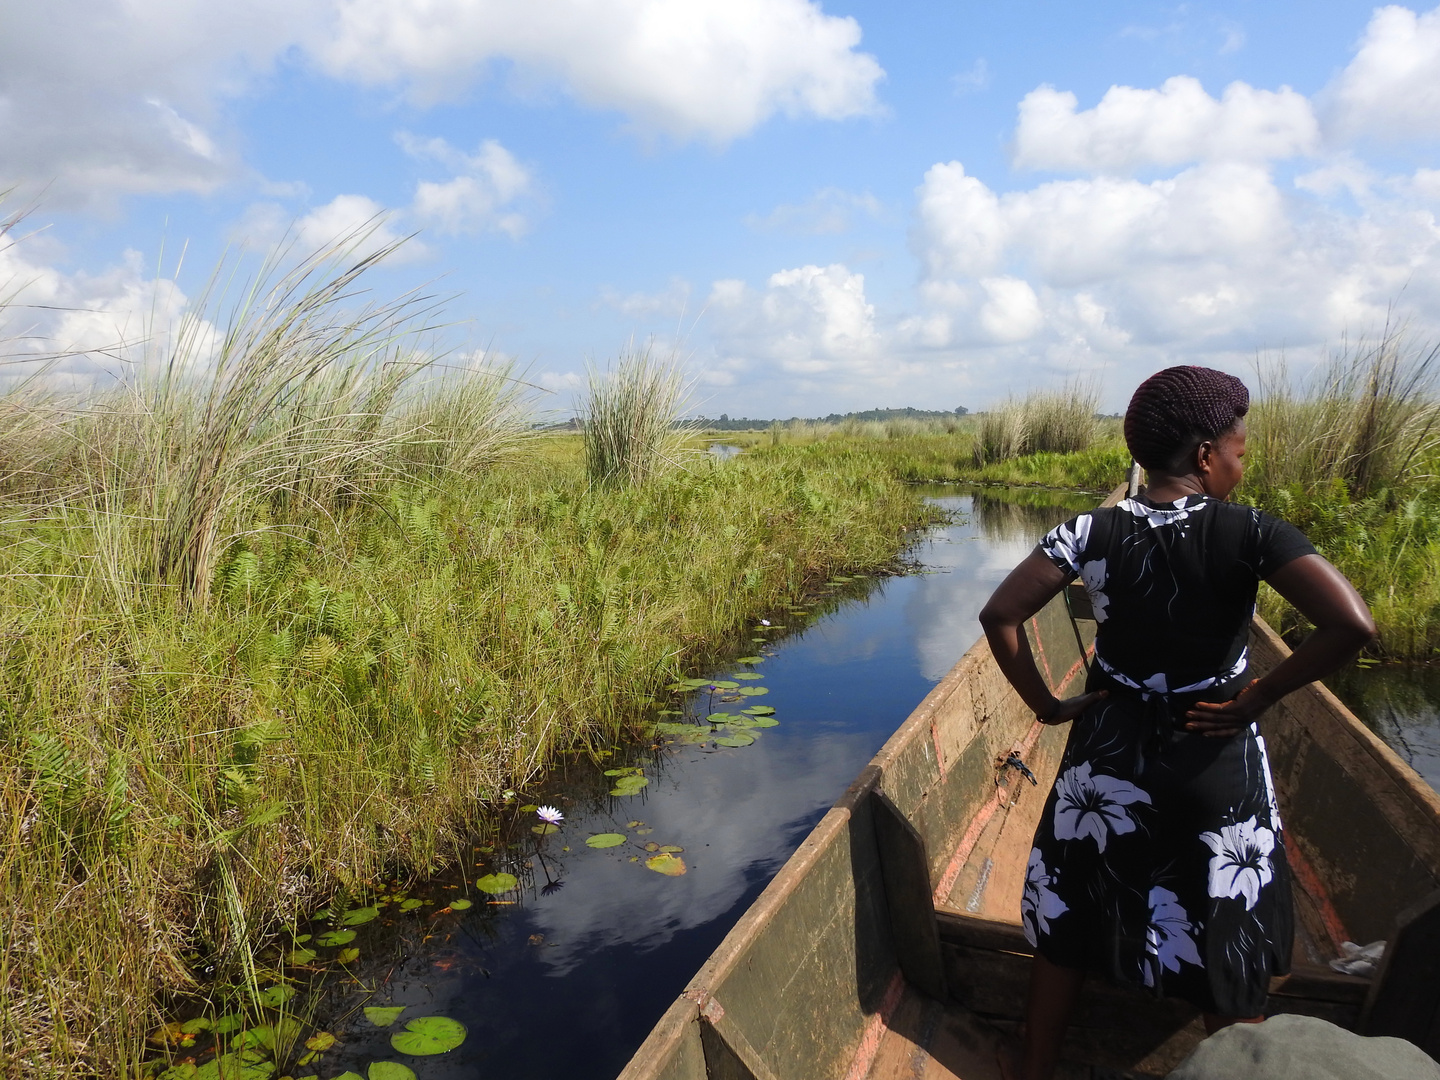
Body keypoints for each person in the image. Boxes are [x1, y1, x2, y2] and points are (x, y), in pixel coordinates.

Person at [977, 366, 1376, 1080]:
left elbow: (1000, 615)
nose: (1239, 464)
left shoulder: (1088, 530)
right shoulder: (1251, 531)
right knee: (1228, 927)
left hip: (1106, 758)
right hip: (1211, 756)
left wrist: (1048, 705)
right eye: (1238, 451)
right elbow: (1349, 624)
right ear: (1203, 456)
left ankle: (1035, 1067)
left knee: (1068, 918)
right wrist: (1257, 698)